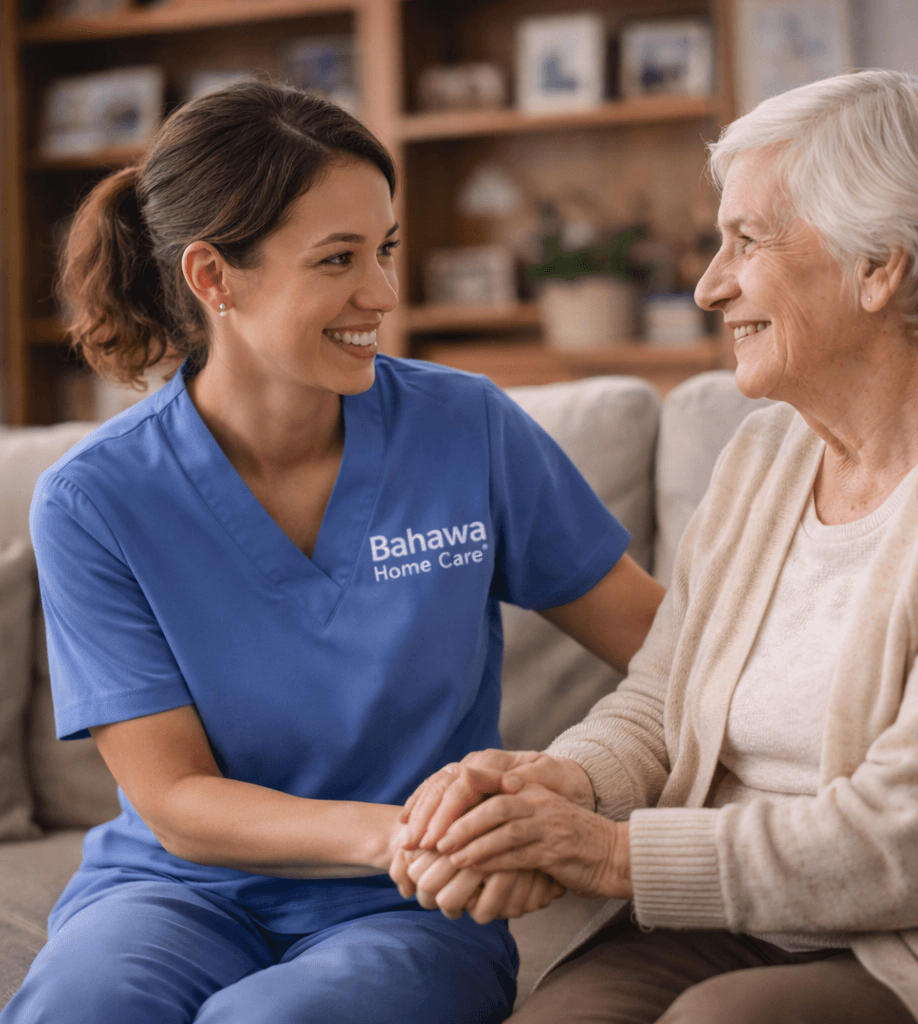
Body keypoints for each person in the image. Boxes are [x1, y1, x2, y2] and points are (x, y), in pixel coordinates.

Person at [1, 81, 666, 1024]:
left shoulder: (466, 427)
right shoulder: (94, 499)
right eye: (338, 259)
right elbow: (178, 797)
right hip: (176, 891)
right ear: (213, 278)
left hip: (411, 909)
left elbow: (671, 650)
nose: (384, 294)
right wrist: (408, 834)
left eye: (385, 248)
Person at [394, 70, 918, 1024]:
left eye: (748, 242)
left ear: (880, 262)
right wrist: (558, 782)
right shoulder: (766, 452)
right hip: (724, 913)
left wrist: (602, 852)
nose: (707, 285)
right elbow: (661, 697)